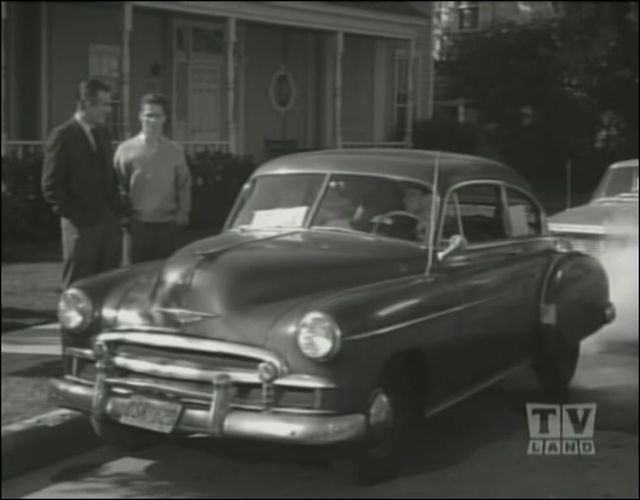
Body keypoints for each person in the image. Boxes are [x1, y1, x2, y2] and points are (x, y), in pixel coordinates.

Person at [41, 78, 123, 289]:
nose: (108, 110)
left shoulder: (103, 134)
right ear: (86, 103)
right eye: (104, 104)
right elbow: (51, 186)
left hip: (108, 223)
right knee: (79, 286)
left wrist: (116, 212)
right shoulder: (63, 136)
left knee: (108, 283)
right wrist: (77, 217)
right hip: (81, 227)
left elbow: (109, 177)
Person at [114, 94, 192, 264]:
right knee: (136, 277)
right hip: (137, 226)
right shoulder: (125, 149)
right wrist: (123, 216)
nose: (152, 121)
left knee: (166, 275)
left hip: (167, 225)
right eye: (148, 115)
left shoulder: (175, 150)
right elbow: (118, 185)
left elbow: (184, 184)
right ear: (140, 116)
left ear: (164, 118)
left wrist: (183, 212)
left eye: (157, 116)